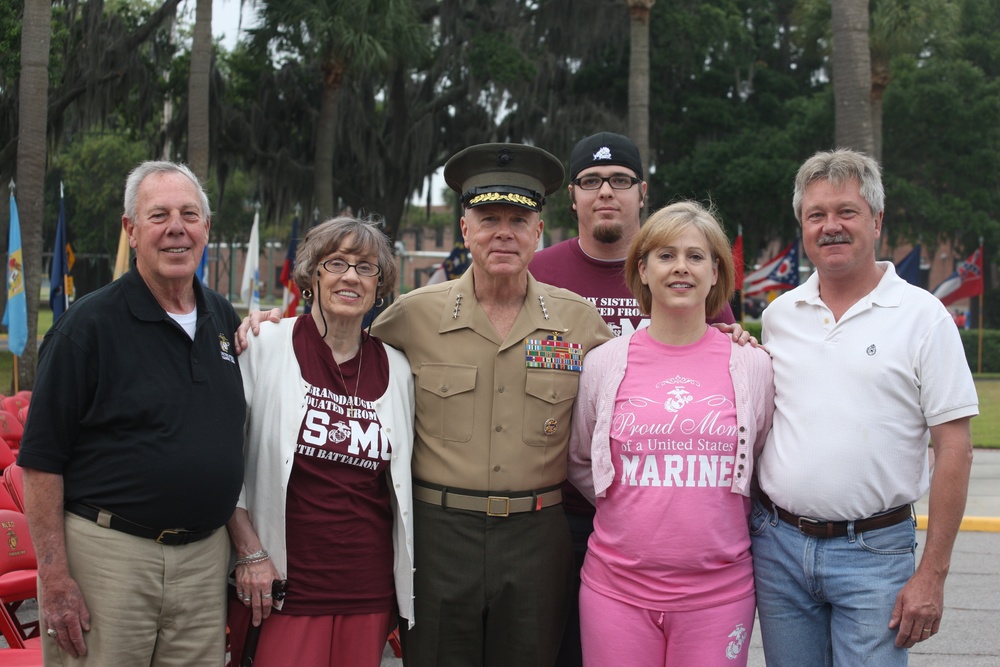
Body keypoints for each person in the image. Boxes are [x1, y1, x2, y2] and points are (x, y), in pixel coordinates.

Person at [373, 143, 613, 666]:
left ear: (538, 231)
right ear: (465, 230)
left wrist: (729, 337)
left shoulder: (580, 322)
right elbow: (339, 358)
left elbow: (642, 374)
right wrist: (270, 328)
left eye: (518, 219)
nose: (503, 232)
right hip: (440, 539)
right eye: (488, 218)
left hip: (536, 538)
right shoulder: (411, 317)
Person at [751, 149, 978, 666]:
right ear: (802, 227)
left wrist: (933, 574)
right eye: (816, 215)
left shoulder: (925, 318)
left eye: (846, 212)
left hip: (874, 554)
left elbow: (955, 449)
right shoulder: (780, 315)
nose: (831, 226)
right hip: (779, 548)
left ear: (876, 221)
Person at [18, 161, 246, 665]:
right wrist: (54, 578)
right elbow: (38, 462)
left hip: (205, 562)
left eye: (190, 214)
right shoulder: (87, 327)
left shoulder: (223, 319)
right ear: (131, 230)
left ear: (206, 228)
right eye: (158, 215)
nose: (176, 229)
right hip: (110, 559)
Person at [529, 131, 738, 666]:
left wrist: (744, 339)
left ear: (642, 192)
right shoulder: (538, 273)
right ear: (571, 196)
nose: (606, 192)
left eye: (620, 180)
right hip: (558, 513)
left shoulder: (682, 272)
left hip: (656, 524)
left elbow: (734, 390)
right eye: (591, 181)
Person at [567, 201, 774, 666]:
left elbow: (759, 458)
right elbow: (581, 458)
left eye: (696, 256)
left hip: (720, 596)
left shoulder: (751, 365)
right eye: (665, 255)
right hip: (615, 591)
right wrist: (635, 508)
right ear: (642, 268)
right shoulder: (604, 362)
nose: (681, 267)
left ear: (716, 271)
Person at [226, 216, 415, 666]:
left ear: (380, 285)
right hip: (284, 583)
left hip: (367, 586)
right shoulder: (264, 345)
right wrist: (249, 551)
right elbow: (227, 464)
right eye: (336, 263)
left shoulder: (398, 367)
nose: (351, 276)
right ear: (312, 276)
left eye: (366, 267)